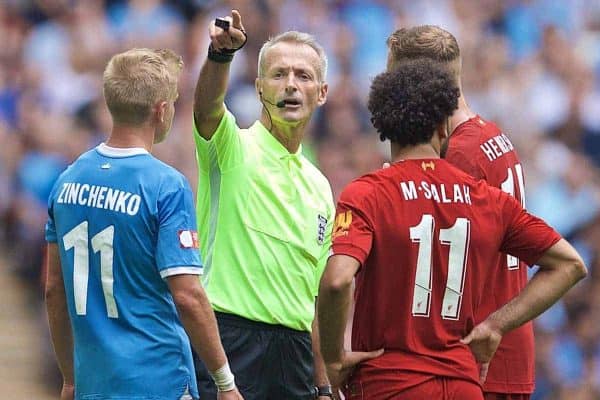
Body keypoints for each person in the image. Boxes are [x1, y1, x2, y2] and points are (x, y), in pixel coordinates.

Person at [317, 60, 587, 400]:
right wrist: (494, 326)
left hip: (391, 383)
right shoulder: (485, 198)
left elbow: (338, 279)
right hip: (463, 384)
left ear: (382, 125)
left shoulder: (368, 193)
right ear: (444, 126)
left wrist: (333, 359)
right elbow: (570, 264)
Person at [44, 48, 243, 400]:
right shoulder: (165, 185)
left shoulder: (66, 181)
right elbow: (188, 295)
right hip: (157, 380)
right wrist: (225, 381)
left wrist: (70, 378)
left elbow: (54, 290)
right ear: (162, 110)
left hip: (94, 384)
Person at [191, 9, 351, 400]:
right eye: (279, 75)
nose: (291, 86)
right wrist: (220, 56)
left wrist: (324, 384)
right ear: (260, 86)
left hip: (293, 359)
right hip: (229, 343)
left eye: (303, 76)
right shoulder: (232, 147)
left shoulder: (319, 186)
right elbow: (207, 109)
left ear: (323, 92)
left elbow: (313, 300)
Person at [386, 25, 533, 400]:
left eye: (394, 83)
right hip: (503, 354)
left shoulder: (461, 156)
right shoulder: (490, 136)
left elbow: (435, 270)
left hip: (477, 363)